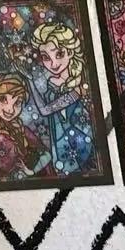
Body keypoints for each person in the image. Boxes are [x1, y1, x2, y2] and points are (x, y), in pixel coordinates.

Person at [26, 22, 95, 175]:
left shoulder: (77, 89)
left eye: (59, 54)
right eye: (46, 57)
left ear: (70, 52)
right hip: (59, 145)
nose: (53, 64)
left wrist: (30, 81)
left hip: (80, 143)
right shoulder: (51, 82)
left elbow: (45, 110)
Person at [0, 73, 50, 179]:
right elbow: (4, 170)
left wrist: (32, 171)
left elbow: (46, 153)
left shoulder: (22, 129)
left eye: (17, 103)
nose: (10, 109)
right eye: (3, 99)